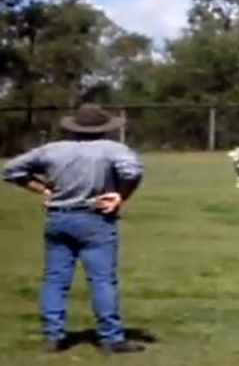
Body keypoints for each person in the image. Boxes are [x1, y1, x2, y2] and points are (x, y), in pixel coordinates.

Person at [2, 103, 145, 354]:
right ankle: (111, 338)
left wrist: (42, 189)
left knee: (55, 279)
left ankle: (53, 335)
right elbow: (132, 171)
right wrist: (121, 195)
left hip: (58, 219)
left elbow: (11, 169)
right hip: (95, 218)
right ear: (104, 128)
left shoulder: (52, 150)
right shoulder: (112, 149)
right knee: (102, 280)